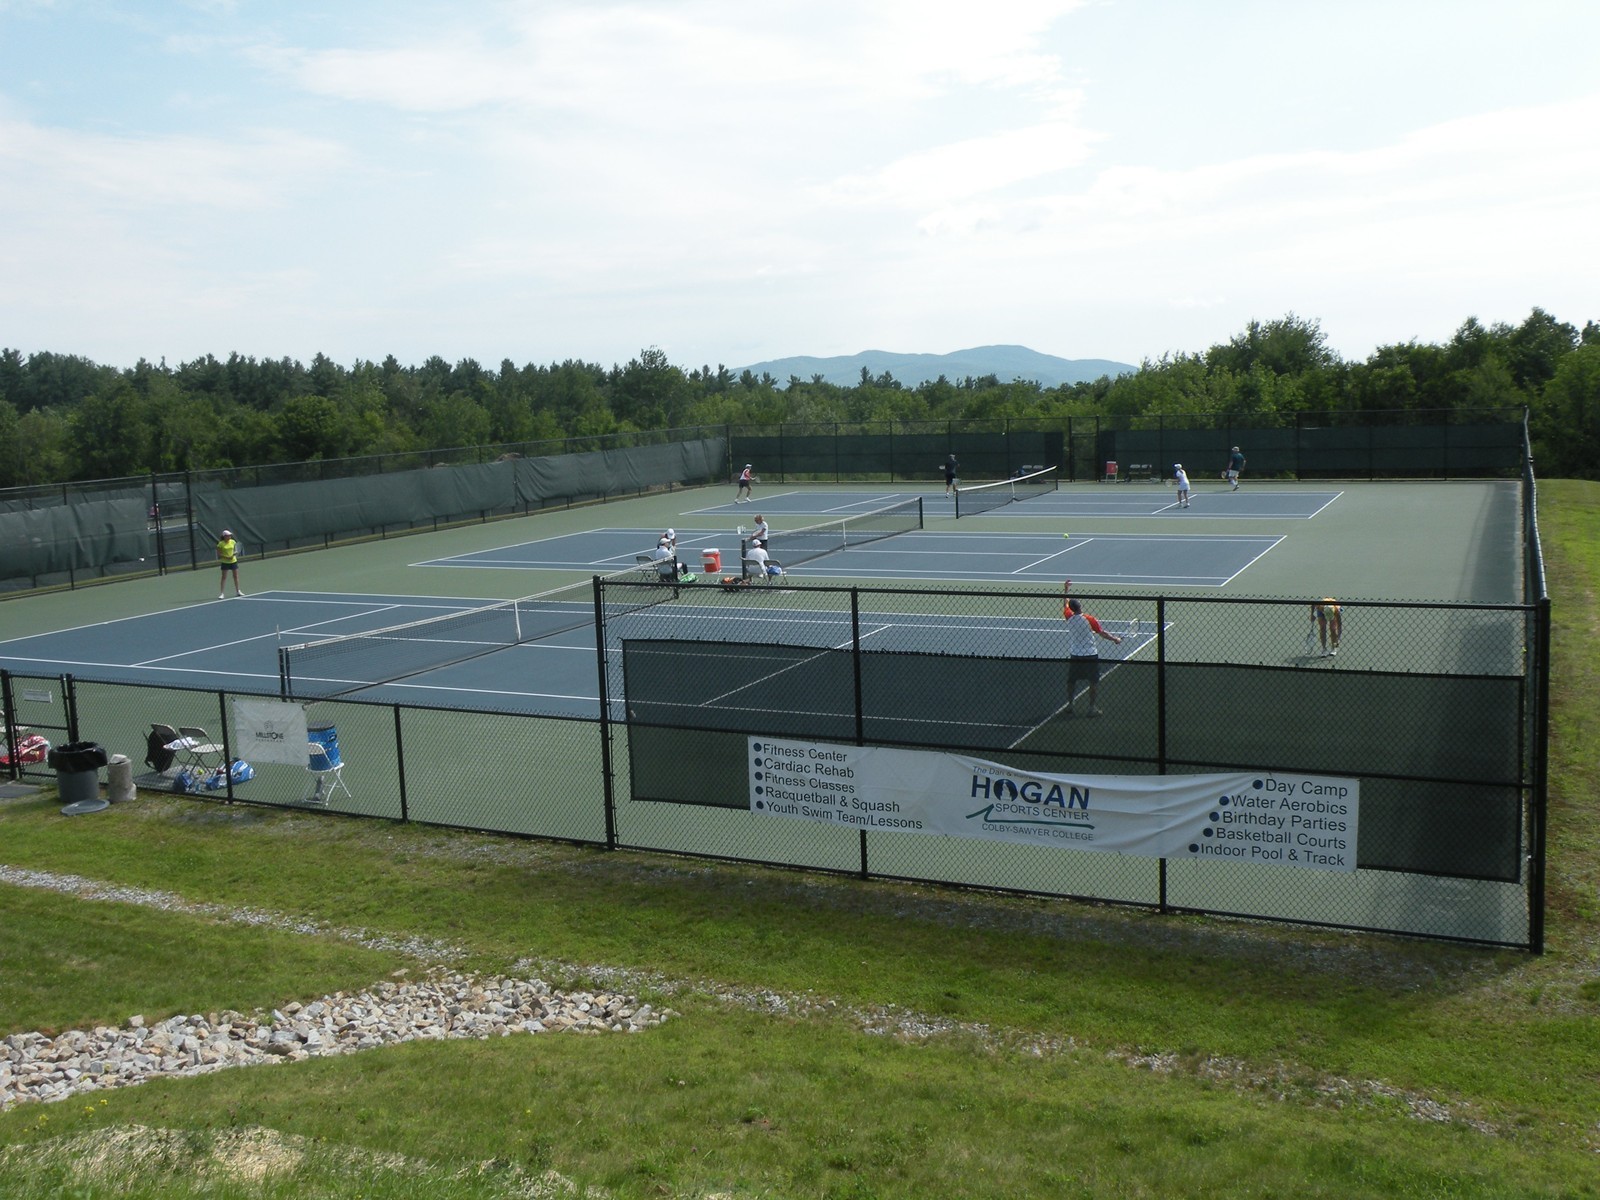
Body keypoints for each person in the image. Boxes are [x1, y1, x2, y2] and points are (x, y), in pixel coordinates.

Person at [1062, 590, 1122, 716]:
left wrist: (1066, 589)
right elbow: (1102, 633)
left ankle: (1070, 705)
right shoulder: (1090, 619)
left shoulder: (1068, 616)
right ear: (1080, 607)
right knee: (1093, 681)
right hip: (1090, 654)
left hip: (1075, 654)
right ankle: (1091, 708)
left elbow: (1065, 603)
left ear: (1071, 609)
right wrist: (1115, 639)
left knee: (1071, 681)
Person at [216, 529, 244, 598]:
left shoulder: (233, 542)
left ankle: (238, 591)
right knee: (224, 577)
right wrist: (227, 557)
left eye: (230, 535)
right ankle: (222, 593)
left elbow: (235, 551)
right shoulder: (220, 544)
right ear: (224, 536)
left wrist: (234, 554)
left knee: (235, 576)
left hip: (233, 561)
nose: (229, 537)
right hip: (225, 562)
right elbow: (219, 554)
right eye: (228, 536)